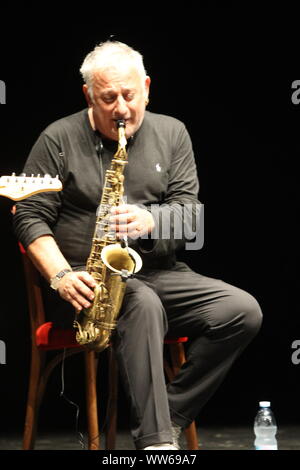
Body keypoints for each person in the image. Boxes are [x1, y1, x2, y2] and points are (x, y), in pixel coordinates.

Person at [13, 41, 262, 450]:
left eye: (129, 95)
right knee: (142, 302)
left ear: (147, 87)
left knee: (242, 311)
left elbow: (190, 214)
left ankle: (167, 415)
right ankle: (157, 443)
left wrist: (152, 220)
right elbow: (28, 216)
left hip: (160, 272)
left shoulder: (172, 132)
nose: (121, 109)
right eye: (108, 98)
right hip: (84, 283)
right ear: (88, 95)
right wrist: (60, 276)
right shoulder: (57, 138)